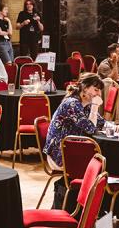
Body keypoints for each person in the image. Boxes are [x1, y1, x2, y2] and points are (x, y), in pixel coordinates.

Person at [42, 73, 102, 208]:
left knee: (100, 159)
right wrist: (95, 107)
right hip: (59, 155)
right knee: (99, 163)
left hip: (72, 151)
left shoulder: (84, 104)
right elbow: (90, 129)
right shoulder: (72, 104)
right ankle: (89, 208)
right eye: (96, 89)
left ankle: (90, 208)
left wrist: (116, 127)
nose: (99, 94)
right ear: (85, 88)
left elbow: (101, 123)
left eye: (100, 90)